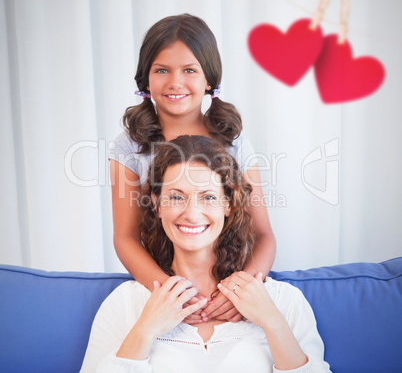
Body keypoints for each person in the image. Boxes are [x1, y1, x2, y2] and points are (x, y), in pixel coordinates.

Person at [81, 136, 330, 372]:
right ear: (156, 204)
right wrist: (145, 329)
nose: (191, 213)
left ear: (228, 204)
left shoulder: (285, 301)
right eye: (177, 197)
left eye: (209, 197)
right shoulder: (124, 304)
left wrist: (273, 322)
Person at [109, 13, 276, 323]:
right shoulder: (128, 147)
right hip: (164, 289)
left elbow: (264, 234)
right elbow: (125, 238)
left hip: (231, 288)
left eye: (189, 70)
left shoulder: (234, 142)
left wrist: (241, 291)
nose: (175, 82)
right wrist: (173, 295)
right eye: (162, 70)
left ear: (209, 78)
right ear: (146, 78)